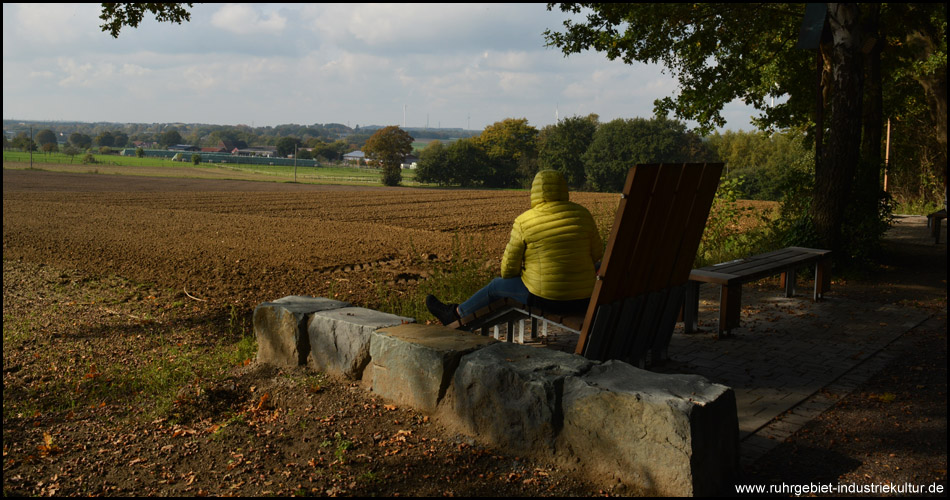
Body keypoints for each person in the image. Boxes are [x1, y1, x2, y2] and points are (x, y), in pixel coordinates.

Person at [426, 169, 603, 325]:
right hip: (584, 299)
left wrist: (529, 273)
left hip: (546, 300)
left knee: (496, 286)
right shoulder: (583, 215)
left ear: (535, 191)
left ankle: (456, 314)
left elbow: (508, 270)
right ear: (564, 188)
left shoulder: (525, 221)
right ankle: (457, 312)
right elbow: (597, 254)